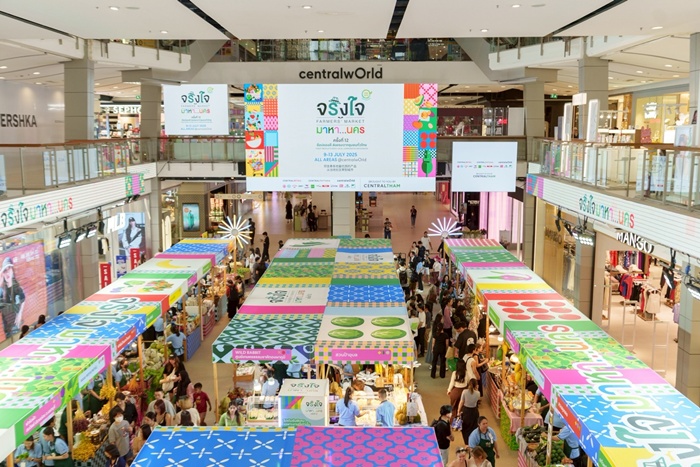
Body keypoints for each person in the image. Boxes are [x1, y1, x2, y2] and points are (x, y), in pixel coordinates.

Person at [0, 257, 25, 338]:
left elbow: (23, 299)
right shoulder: (1, 291)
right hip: (8, 329)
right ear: (2, 274)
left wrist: (19, 314)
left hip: (17, 325)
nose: (7, 273)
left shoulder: (16, 287)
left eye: (9, 269)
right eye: (5, 271)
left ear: (12, 271)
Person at [458, 378, 480, 444]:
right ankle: (473, 441)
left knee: (465, 427)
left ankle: (466, 442)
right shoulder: (478, 393)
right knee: (474, 427)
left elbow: (461, 402)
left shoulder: (464, 392)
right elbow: (477, 400)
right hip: (474, 411)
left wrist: (458, 411)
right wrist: (477, 389)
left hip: (466, 411)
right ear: (476, 385)